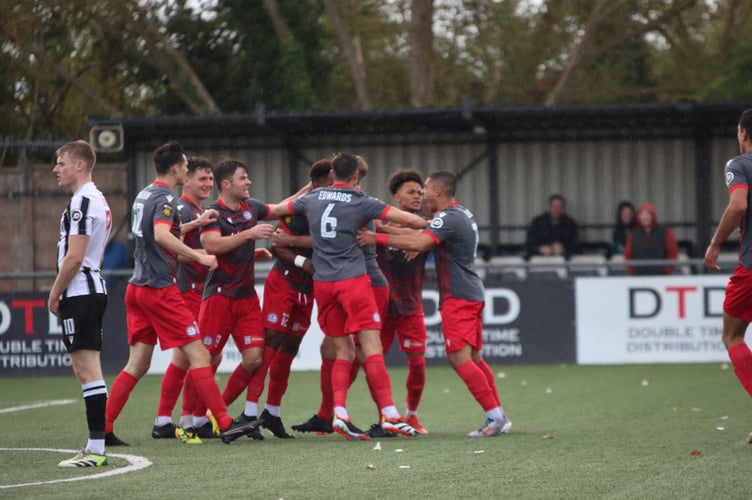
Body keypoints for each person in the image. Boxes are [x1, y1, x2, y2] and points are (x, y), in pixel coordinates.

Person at [104, 141, 261, 445]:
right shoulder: (165, 197)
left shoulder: (144, 194)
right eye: (187, 166)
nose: (188, 170)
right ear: (176, 168)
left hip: (136, 287)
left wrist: (194, 227)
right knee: (199, 354)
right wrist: (201, 257)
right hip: (159, 288)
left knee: (137, 364)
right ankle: (224, 423)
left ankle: (104, 427)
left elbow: (159, 238)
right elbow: (163, 236)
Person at [267, 152, 427, 441]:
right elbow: (407, 221)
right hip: (357, 281)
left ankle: (338, 412)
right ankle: (388, 415)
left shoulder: (313, 199)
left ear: (331, 175)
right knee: (368, 348)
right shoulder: (363, 201)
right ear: (356, 176)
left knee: (340, 350)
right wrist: (439, 226)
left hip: (323, 284)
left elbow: (274, 210)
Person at [358, 170, 512, 438]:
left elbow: (420, 240)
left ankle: (494, 416)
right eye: (415, 190)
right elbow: (423, 235)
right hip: (470, 292)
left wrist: (376, 238)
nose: (422, 193)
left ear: (438, 192)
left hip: (458, 296)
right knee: (474, 358)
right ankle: (498, 413)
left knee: (458, 358)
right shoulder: (459, 214)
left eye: (425, 188)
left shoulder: (448, 217)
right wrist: (383, 229)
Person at [186, 158, 277, 440]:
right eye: (243, 178)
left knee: (254, 358)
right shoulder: (213, 212)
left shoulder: (252, 208)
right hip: (219, 297)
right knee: (207, 359)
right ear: (227, 185)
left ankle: (215, 414)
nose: (248, 182)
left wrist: (313, 188)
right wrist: (249, 235)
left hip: (247, 298)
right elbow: (212, 245)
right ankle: (189, 422)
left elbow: (284, 208)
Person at [256, 159, 333, 439]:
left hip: (308, 289)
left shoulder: (336, 206)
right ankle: (250, 413)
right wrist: (303, 261)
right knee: (271, 343)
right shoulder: (301, 206)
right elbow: (276, 244)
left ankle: (272, 412)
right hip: (285, 282)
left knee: (290, 346)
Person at [49, 140, 112, 467]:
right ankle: (95, 444)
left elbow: (75, 256)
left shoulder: (83, 200)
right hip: (89, 289)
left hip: (81, 291)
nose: (56, 169)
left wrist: (54, 292)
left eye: (61, 162)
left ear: (80, 165)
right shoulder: (93, 199)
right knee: (88, 370)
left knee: (87, 371)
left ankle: (98, 449)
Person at [152, 157, 218, 443]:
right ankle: (189, 419)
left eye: (210, 179)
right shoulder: (181, 207)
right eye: (202, 179)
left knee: (184, 359)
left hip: (197, 288)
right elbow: (164, 236)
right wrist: (196, 223)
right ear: (186, 180)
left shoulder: (196, 209)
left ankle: (167, 419)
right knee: (198, 356)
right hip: (186, 289)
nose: (208, 184)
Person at [704, 107, 752, 443]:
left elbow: (738, 206)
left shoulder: (740, 164)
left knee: (732, 335)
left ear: (743, 133)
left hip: (751, 267)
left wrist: (715, 243)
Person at [374, 168, 430, 435]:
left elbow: (423, 241)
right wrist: (399, 237)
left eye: (420, 192)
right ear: (396, 197)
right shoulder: (376, 221)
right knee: (370, 362)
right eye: (411, 192)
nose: (417, 196)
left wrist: (410, 241)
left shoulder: (427, 225)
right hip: (381, 306)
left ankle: (411, 416)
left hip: (410, 305)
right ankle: (384, 416)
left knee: (418, 363)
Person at [624, 202, 679, 275]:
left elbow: (673, 253)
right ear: (638, 217)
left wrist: (666, 269)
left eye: (648, 214)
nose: (645, 217)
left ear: (653, 216)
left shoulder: (665, 231)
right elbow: (628, 254)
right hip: (638, 275)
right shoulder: (633, 233)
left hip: (661, 275)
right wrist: (632, 270)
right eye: (642, 214)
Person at [525, 194, 580, 259]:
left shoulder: (570, 223)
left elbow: (577, 246)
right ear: (549, 207)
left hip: (563, 261)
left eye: (560, 206)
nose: (557, 209)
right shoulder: (537, 222)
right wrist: (540, 249)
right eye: (554, 206)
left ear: (564, 208)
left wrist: (563, 249)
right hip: (540, 260)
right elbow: (528, 245)